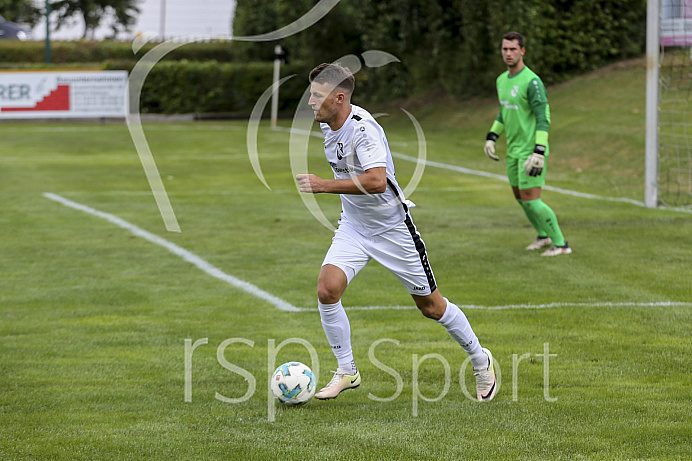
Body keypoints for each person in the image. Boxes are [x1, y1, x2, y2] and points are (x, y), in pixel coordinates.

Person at [296, 62, 497, 401]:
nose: (311, 102)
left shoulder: (363, 130)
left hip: (392, 230)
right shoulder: (329, 126)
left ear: (340, 97)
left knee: (431, 307)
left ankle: (481, 360)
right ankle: (347, 370)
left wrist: (323, 185)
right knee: (327, 290)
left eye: (317, 96)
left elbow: (377, 181)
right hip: (355, 227)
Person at [484, 31, 571, 256]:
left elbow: (543, 117)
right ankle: (543, 236)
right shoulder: (501, 80)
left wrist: (539, 151)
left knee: (532, 200)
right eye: (505, 49)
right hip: (513, 151)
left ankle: (561, 244)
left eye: (513, 49)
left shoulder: (532, 81)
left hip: (531, 152)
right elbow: (504, 112)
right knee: (520, 198)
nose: (508, 53)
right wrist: (492, 136)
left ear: (522, 51)